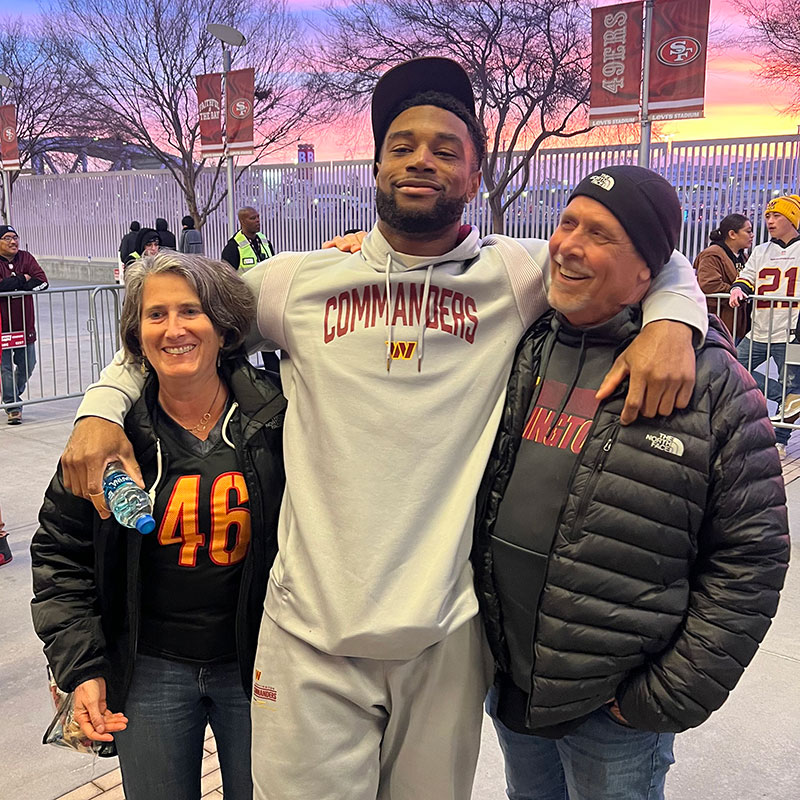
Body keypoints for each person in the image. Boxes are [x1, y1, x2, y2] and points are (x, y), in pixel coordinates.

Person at [60, 58, 708, 800]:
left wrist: (674, 320)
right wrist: (100, 407)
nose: (421, 160)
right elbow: (174, 321)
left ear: (474, 171)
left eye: (445, 147)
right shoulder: (296, 282)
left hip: (446, 637)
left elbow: (645, 256)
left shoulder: (515, 275)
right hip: (311, 634)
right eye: (402, 146)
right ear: (375, 165)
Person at [472, 165, 790, 800]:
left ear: (650, 270)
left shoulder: (711, 385)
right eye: (567, 223)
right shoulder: (521, 343)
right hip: (513, 683)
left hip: (614, 710)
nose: (568, 245)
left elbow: (751, 558)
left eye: (601, 234)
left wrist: (666, 695)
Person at [31, 251, 285, 800]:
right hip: (149, 669)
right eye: (156, 315)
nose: (174, 330)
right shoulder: (104, 438)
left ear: (223, 327)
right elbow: (60, 556)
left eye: (190, 311)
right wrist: (81, 666)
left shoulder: (277, 418)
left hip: (259, 666)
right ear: (136, 334)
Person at [731, 194, 800, 458]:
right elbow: (746, 277)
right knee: (733, 369)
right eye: (768, 216)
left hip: (791, 332)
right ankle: (789, 398)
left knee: (790, 383)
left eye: (777, 216)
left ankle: (779, 440)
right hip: (758, 330)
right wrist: (738, 288)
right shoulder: (760, 251)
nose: (770, 221)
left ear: (792, 219)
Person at [0, 224, 48, 424]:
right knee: (5, 368)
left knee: (28, 364)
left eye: (15, 237)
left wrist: (12, 284)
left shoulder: (26, 257)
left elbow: (43, 282)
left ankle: (12, 395)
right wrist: (22, 279)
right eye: (8, 238)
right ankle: (12, 405)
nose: (14, 241)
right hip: (2, 327)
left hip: (25, 325)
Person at [693, 213, 752, 341]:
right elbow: (708, 284)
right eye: (748, 231)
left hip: (737, 323)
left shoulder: (743, 256)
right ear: (732, 234)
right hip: (720, 324)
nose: (752, 235)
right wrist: (736, 291)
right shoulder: (712, 254)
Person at [221, 207, 274, 272]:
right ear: (242, 222)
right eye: (252, 218)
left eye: (258, 217)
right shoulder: (233, 247)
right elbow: (226, 277)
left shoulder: (265, 243)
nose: (257, 220)